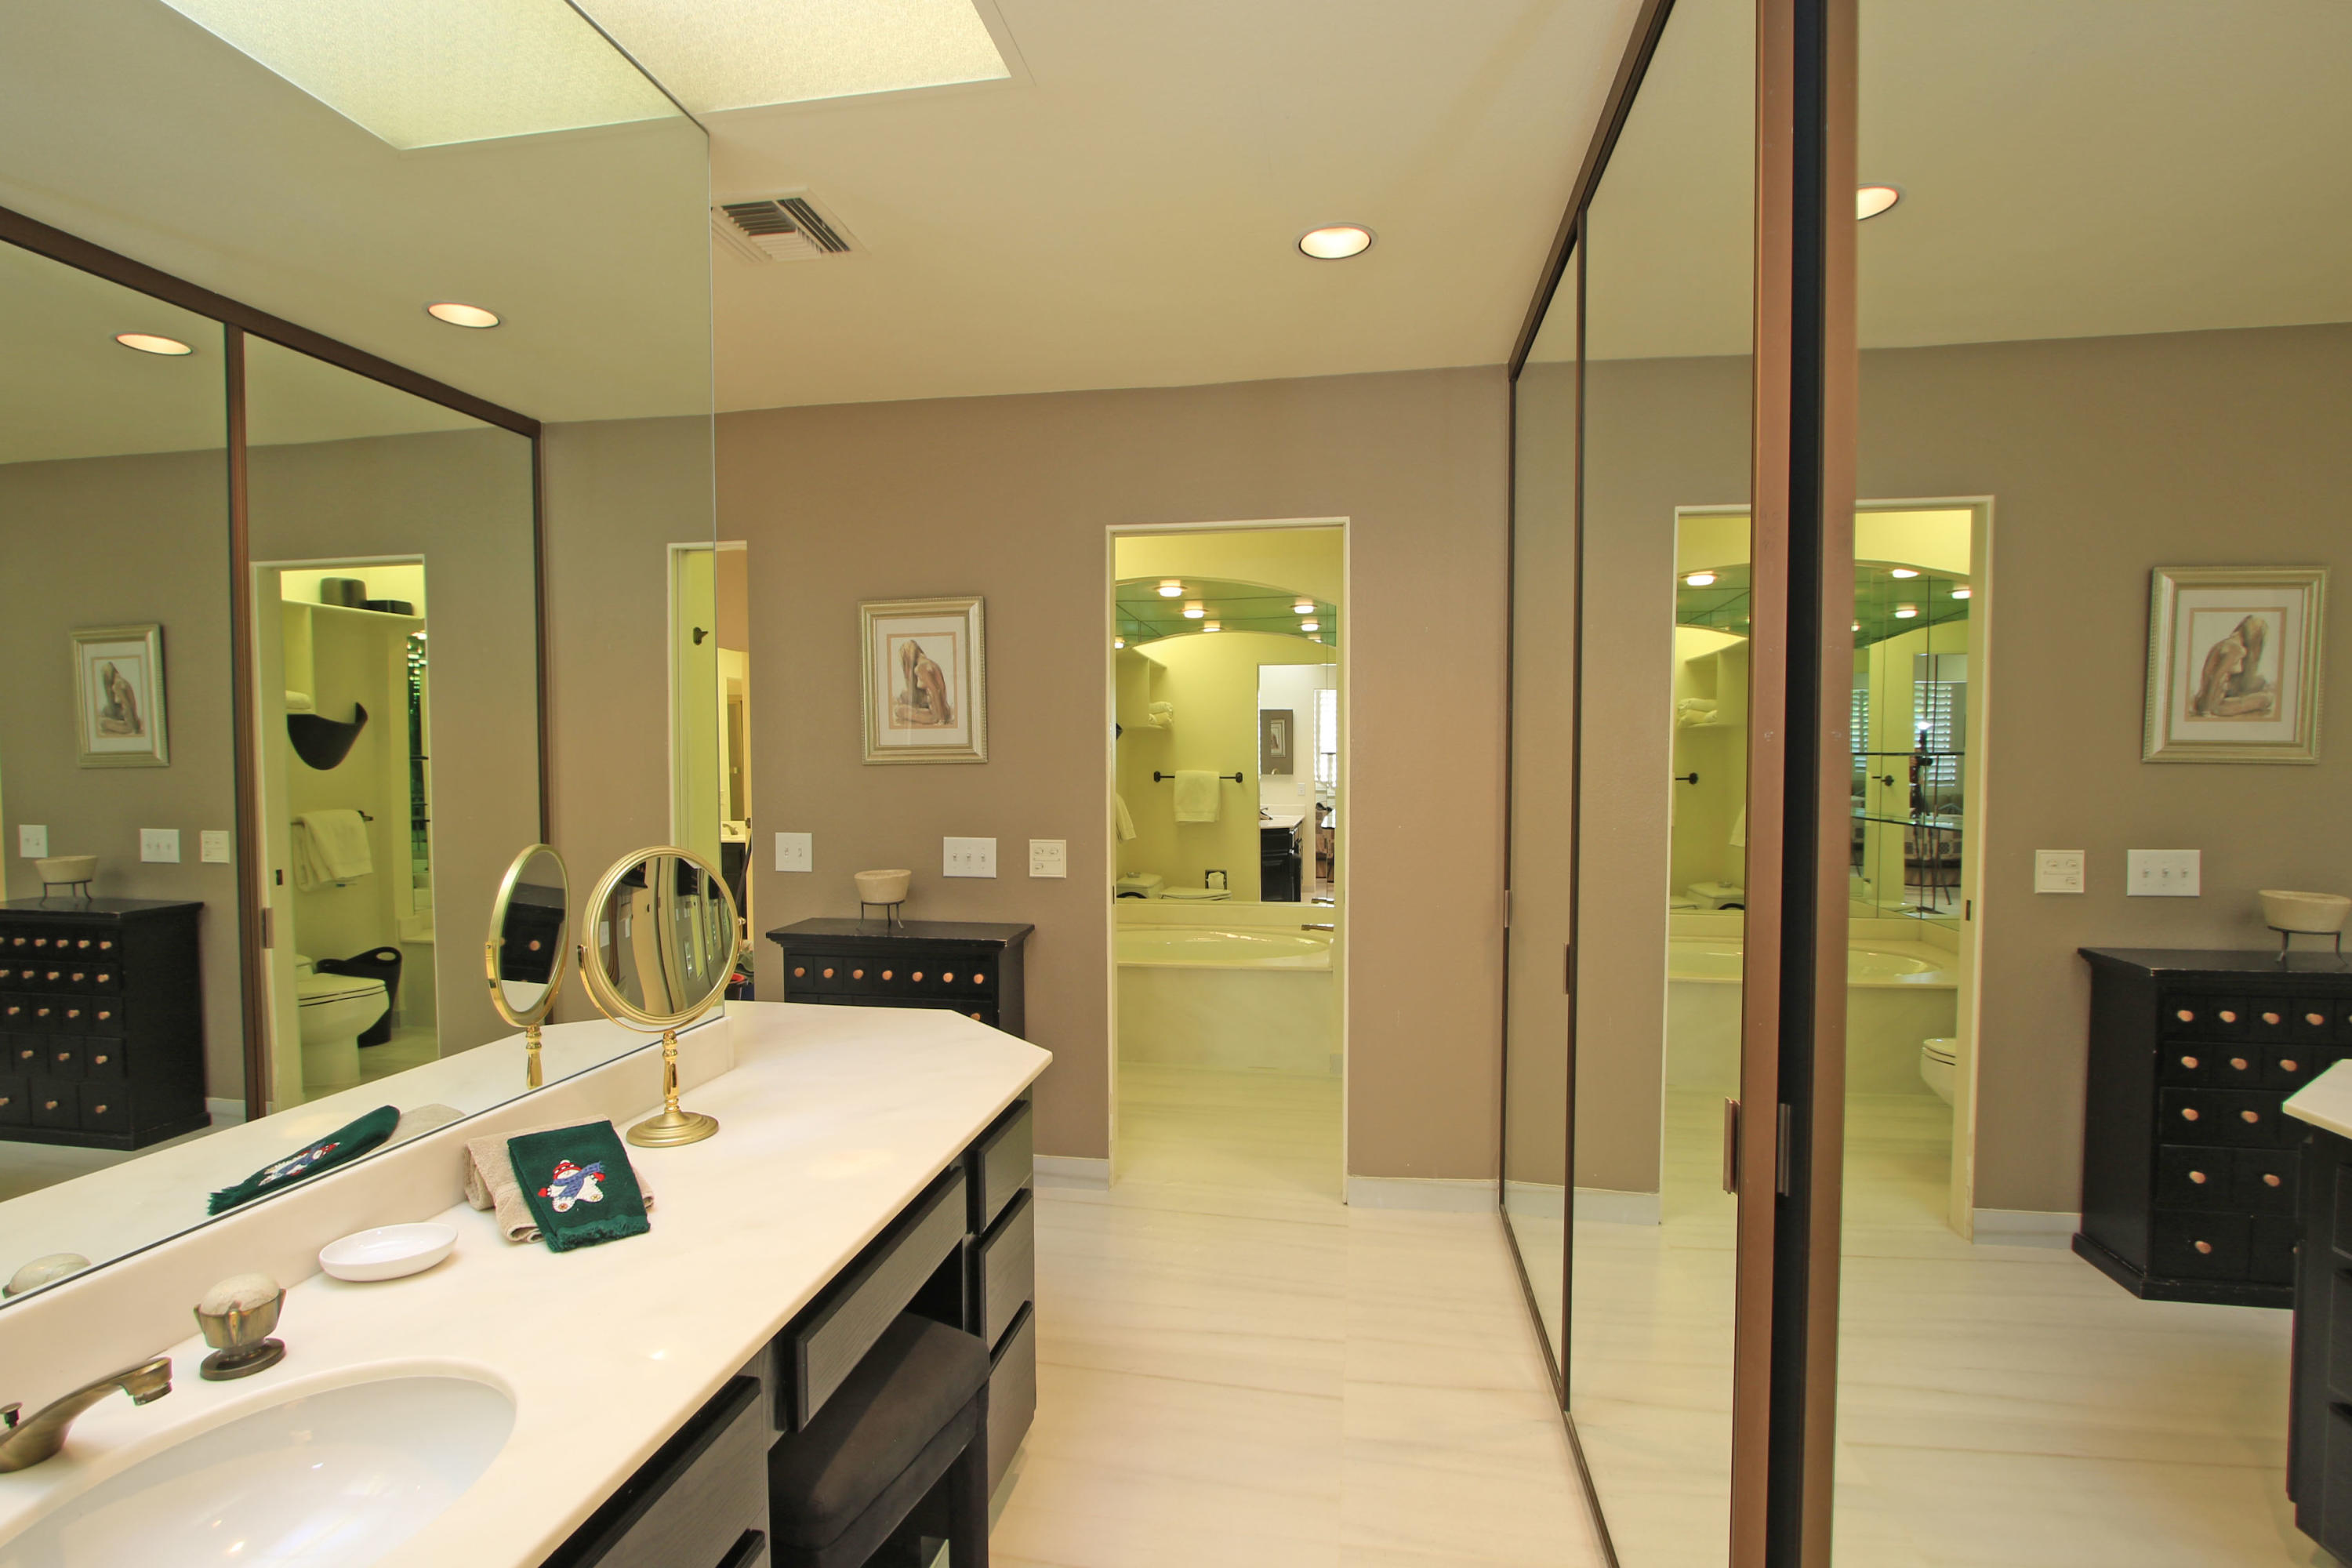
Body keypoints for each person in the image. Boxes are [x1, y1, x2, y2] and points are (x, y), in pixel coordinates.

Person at [2188, 614, 2276, 719]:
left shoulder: (2224, 644)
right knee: (2266, 699)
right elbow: (2216, 677)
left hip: (2204, 701)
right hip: (2216, 706)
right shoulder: (2237, 649)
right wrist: (2206, 711)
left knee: (2262, 689)